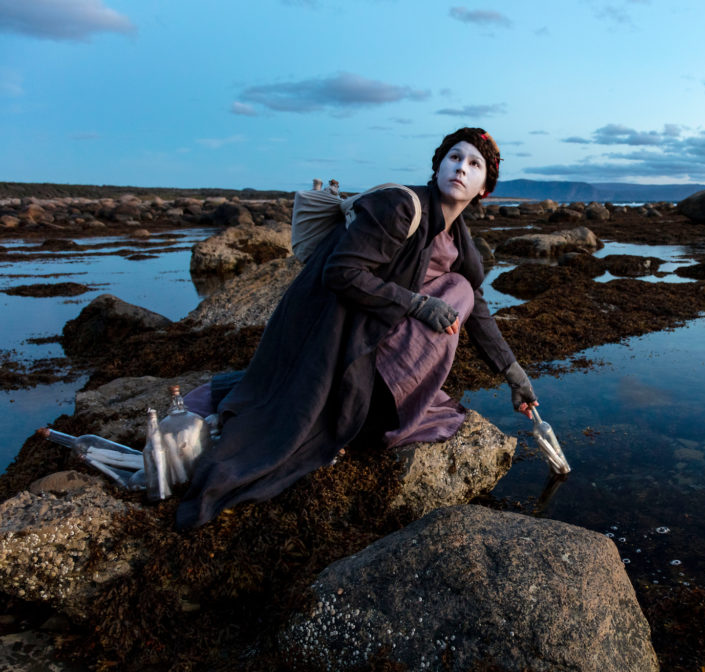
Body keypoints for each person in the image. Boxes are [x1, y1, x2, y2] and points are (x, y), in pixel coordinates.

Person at [175, 128, 536, 529]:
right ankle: (367, 408)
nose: (461, 168)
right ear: (437, 166)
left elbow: (479, 308)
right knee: (456, 291)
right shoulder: (402, 207)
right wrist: (418, 304)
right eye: (454, 157)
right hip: (339, 335)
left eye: (474, 164)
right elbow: (341, 271)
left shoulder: (458, 239)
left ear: (485, 188)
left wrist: (513, 374)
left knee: (463, 289)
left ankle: (372, 397)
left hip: (375, 334)